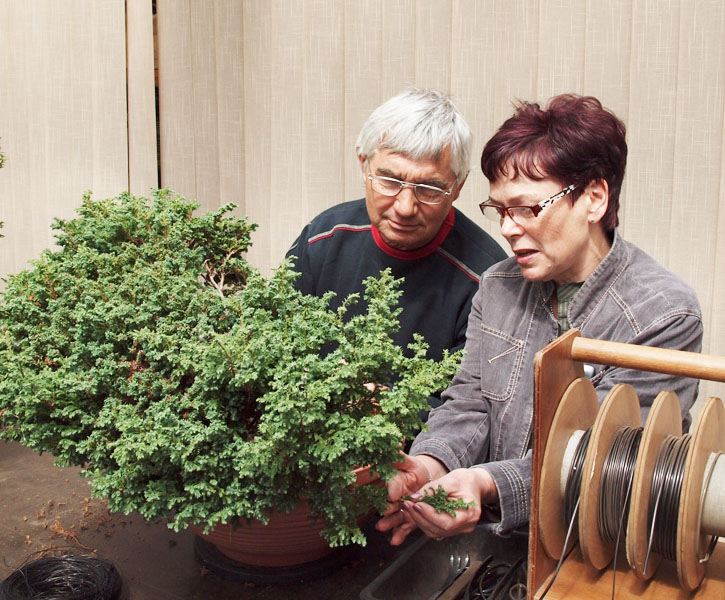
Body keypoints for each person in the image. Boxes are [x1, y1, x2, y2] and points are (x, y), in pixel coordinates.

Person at [377, 94, 703, 545]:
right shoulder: (498, 286)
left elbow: (602, 464)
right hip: (500, 545)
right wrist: (429, 465)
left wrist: (486, 483)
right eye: (499, 210)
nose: (508, 228)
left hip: (598, 554)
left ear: (594, 198)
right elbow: (470, 402)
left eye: (527, 208)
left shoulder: (664, 315)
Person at [286, 88, 507, 411]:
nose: (405, 207)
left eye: (429, 189)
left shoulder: (488, 281)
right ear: (364, 166)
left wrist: (387, 406)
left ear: (457, 187)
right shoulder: (322, 239)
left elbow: (475, 410)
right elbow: (277, 346)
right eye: (389, 181)